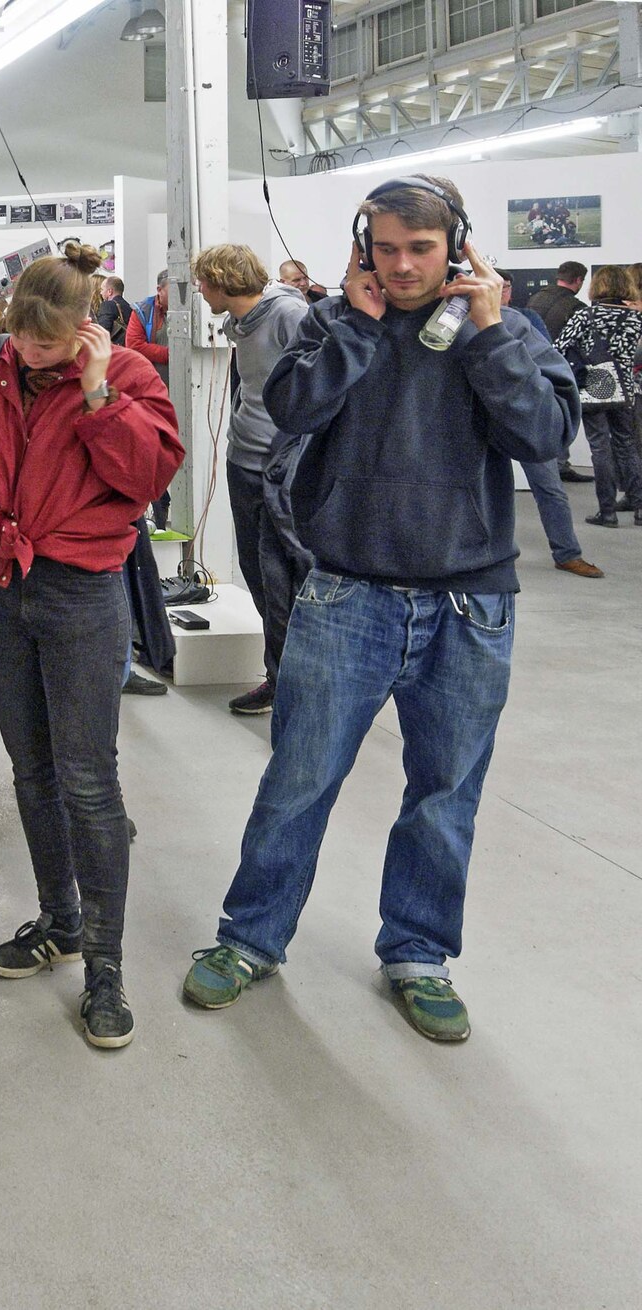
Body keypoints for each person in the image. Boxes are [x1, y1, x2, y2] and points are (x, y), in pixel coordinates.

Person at [182, 175, 578, 1042]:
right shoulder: (334, 322)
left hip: (470, 603)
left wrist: (484, 339)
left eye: (421, 249)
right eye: (387, 247)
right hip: (346, 594)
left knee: (444, 790)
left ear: (458, 249)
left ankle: (419, 953)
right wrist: (357, 327)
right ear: (365, 247)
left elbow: (543, 438)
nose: (402, 266)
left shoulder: (506, 331)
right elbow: (288, 407)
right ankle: (251, 938)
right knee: (299, 779)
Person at [0, 246, 182, 1049]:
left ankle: (105, 966)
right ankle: (60, 919)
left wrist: (100, 395)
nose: (32, 356)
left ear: (85, 330)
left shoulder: (130, 376)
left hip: (80, 592)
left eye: (50, 346)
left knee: (88, 781)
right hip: (3, 586)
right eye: (22, 342)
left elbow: (144, 479)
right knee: (30, 766)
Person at [192, 243, 311, 714]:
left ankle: (295, 684)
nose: (200, 291)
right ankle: (280, 675)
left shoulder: (288, 314)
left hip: (280, 467)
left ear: (223, 280)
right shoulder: (234, 322)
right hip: (244, 462)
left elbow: (318, 387)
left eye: (204, 282)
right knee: (259, 575)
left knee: (286, 576)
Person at [496, 271, 602, 577]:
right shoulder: (462, 318)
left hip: (524, 412)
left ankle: (567, 552)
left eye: (505, 288)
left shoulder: (525, 318)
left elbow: (547, 358)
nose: (501, 292)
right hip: (486, 412)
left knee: (549, 486)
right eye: (497, 287)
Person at [555, 265, 642, 529]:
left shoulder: (586, 315)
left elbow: (558, 347)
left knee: (600, 448)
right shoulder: (635, 317)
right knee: (627, 445)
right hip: (627, 387)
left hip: (595, 386)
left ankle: (607, 513)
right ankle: (639, 508)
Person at [529, 260, 594, 484]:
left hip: (532, 365)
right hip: (561, 368)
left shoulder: (535, 298)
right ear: (578, 280)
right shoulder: (577, 308)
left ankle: (550, 465)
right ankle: (559, 465)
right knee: (563, 414)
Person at [125, 270, 170, 387]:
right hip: (153, 382)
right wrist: (171, 354)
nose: (179, 297)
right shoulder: (142, 311)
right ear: (159, 290)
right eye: (173, 292)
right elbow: (135, 345)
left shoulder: (192, 309)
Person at [95, 276, 133, 344]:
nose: (101, 293)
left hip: (113, 350)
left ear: (110, 291)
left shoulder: (107, 305)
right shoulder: (130, 307)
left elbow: (102, 332)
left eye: (102, 289)